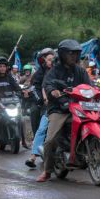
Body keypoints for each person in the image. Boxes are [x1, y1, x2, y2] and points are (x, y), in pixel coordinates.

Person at [36, 39, 93, 182]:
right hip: (59, 109)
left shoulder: (80, 71)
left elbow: (89, 87)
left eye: (75, 54)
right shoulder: (54, 71)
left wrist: (99, 91)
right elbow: (48, 85)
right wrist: (53, 91)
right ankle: (47, 171)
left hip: (78, 107)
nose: (73, 56)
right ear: (62, 55)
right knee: (50, 140)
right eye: (70, 54)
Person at [25, 48, 55, 168]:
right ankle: (33, 155)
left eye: (53, 58)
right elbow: (36, 88)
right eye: (48, 59)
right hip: (44, 103)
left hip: (63, 103)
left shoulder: (60, 70)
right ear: (43, 60)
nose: (51, 61)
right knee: (41, 126)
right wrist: (42, 100)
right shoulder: (39, 73)